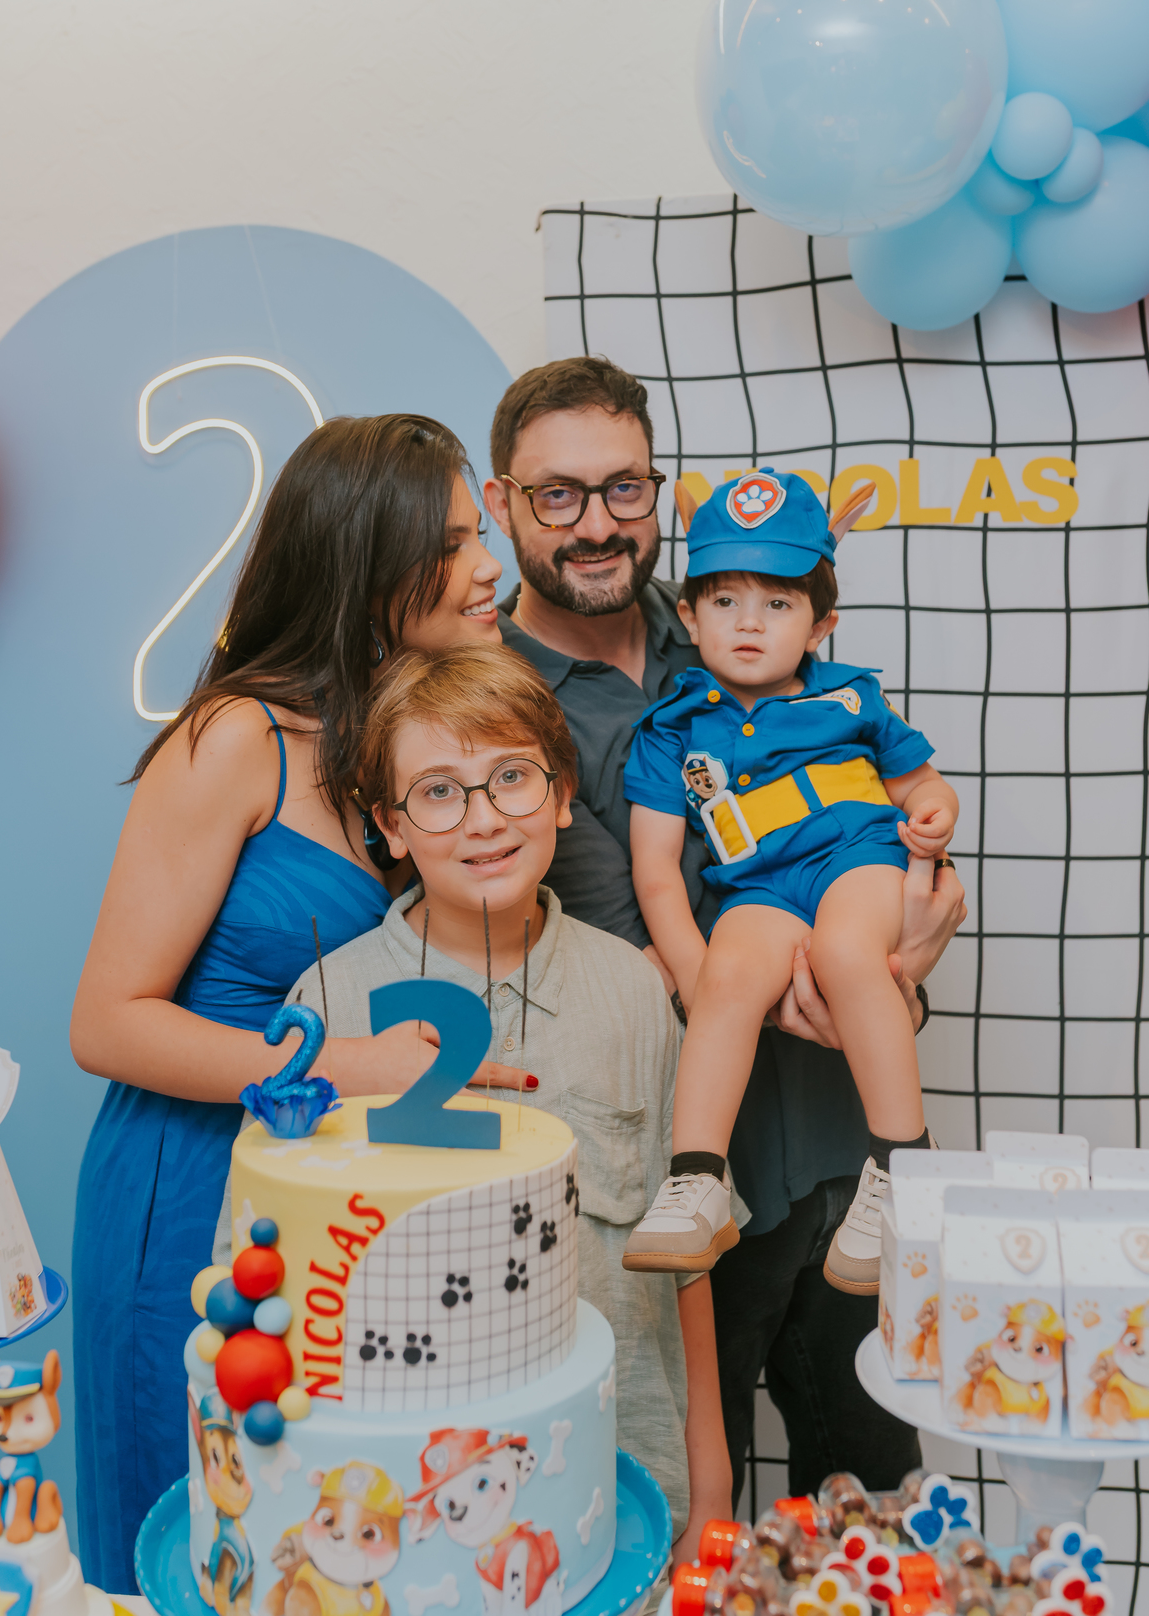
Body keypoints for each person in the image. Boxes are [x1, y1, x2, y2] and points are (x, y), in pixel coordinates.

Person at [483, 356, 967, 1502]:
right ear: (501, 503)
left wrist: (904, 945)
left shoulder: (733, 606)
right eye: (559, 495)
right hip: (681, 1187)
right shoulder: (494, 701)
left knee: (870, 1512)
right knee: (700, 1516)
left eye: (625, 489)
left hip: (842, 1160)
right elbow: (623, 948)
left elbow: (888, 824)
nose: (598, 524)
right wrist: (849, 985)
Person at [69, 414, 528, 1591]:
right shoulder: (234, 736)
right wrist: (339, 1070)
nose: (492, 567)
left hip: (324, 1196)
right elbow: (107, 1022)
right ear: (371, 558)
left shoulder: (396, 737)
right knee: (190, 1535)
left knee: (319, 1544)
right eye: (462, 541)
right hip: (187, 1187)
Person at [218, 642, 736, 1562]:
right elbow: (259, 1274)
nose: (484, 818)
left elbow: (686, 1259)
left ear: (564, 793)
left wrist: (712, 1477)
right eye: (439, 791)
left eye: (512, 778)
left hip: (620, 1481)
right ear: (390, 824)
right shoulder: (325, 1008)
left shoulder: (634, 993)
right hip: (398, 1518)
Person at [620, 470, 957, 1289]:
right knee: (730, 971)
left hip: (857, 859)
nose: (748, 624)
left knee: (849, 953)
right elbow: (657, 868)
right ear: (688, 614)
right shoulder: (672, 729)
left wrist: (935, 813)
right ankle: (697, 1176)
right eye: (726, 601)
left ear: (819, 625)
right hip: (761, 886)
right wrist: (700, 983)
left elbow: (920, 783)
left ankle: (903, 1168)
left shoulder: (851, 700)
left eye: (777, 604)